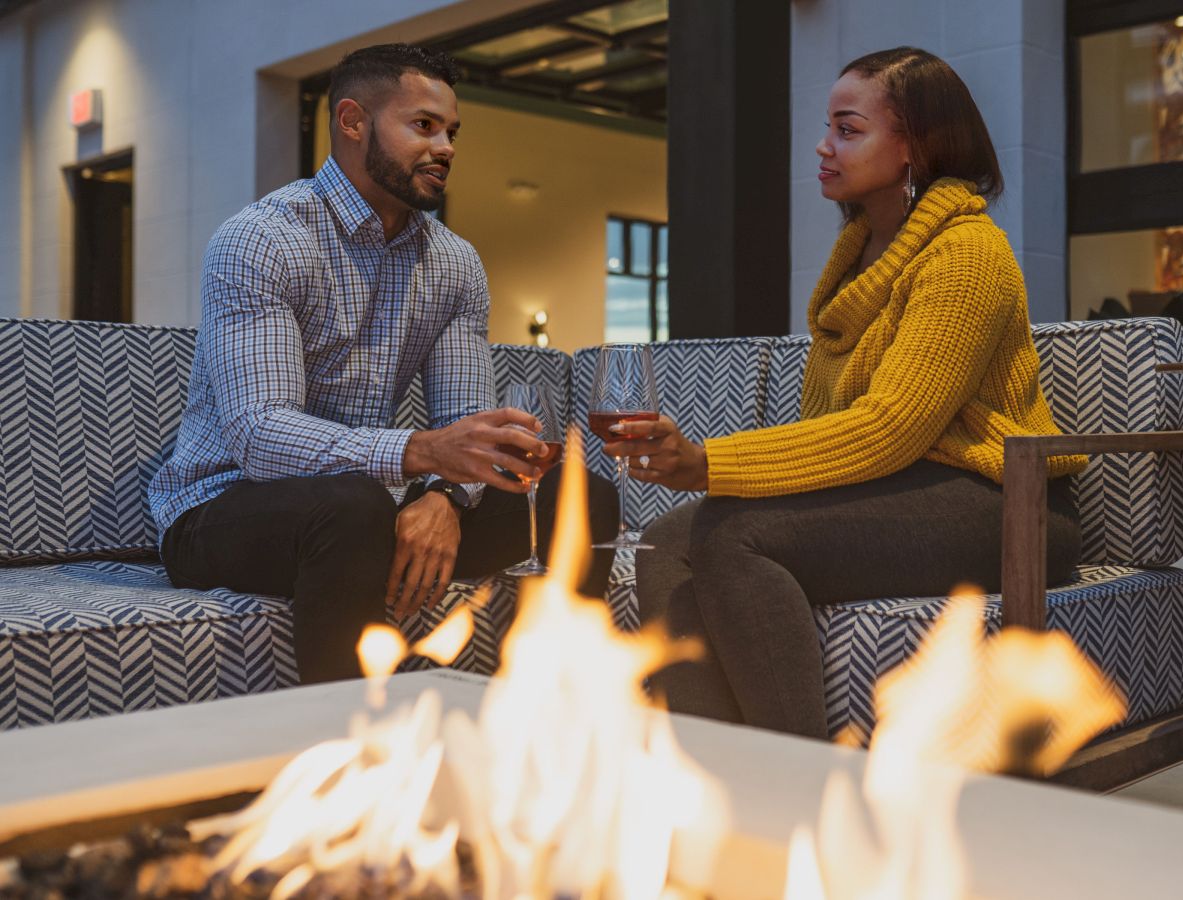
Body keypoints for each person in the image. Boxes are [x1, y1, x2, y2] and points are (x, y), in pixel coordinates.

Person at [618, 47, 1088, 739]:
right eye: (828, 126)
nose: (823, 145)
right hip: (910, 489)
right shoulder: (858, 264)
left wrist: (711, 463)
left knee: (735, 536)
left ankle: (800, 785)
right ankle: (722, 775)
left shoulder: (967, 254)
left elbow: (889, 429)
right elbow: (832, 425)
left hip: (1007, 507)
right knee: (665, 541)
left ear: (913, 147)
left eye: (847, 128)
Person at [148, 43, 616, 685]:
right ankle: (346, 755)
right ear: (352, 122)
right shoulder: (261, 239)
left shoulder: (454, 263)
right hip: (222, 506)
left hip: (366, 505)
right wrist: (423, 456)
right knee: (354, 507)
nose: (446, 147)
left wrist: (446, 497)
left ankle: (540, 727)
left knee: (580, 495)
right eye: (423, 126)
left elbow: (465, 428)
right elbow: (259, 437)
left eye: (451, 131)